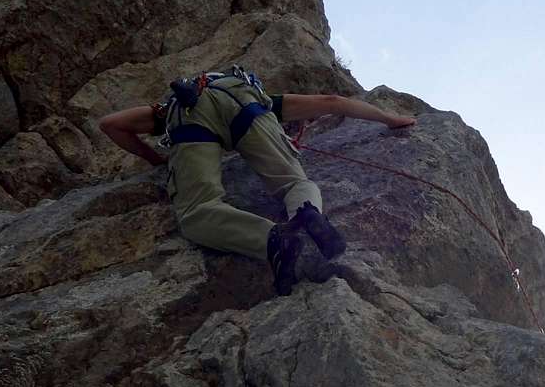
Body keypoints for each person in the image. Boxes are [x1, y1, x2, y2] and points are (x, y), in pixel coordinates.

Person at [99, 68, 415, 295]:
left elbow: (112, 125)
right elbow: (332, 101)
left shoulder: (165, 109)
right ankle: (306, 212)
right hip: (246, 102)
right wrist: (390, 118)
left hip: (188, 113)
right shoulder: (264, 98)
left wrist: (157, 160)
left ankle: (273, 240)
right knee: (294, 183)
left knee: (197, 211)